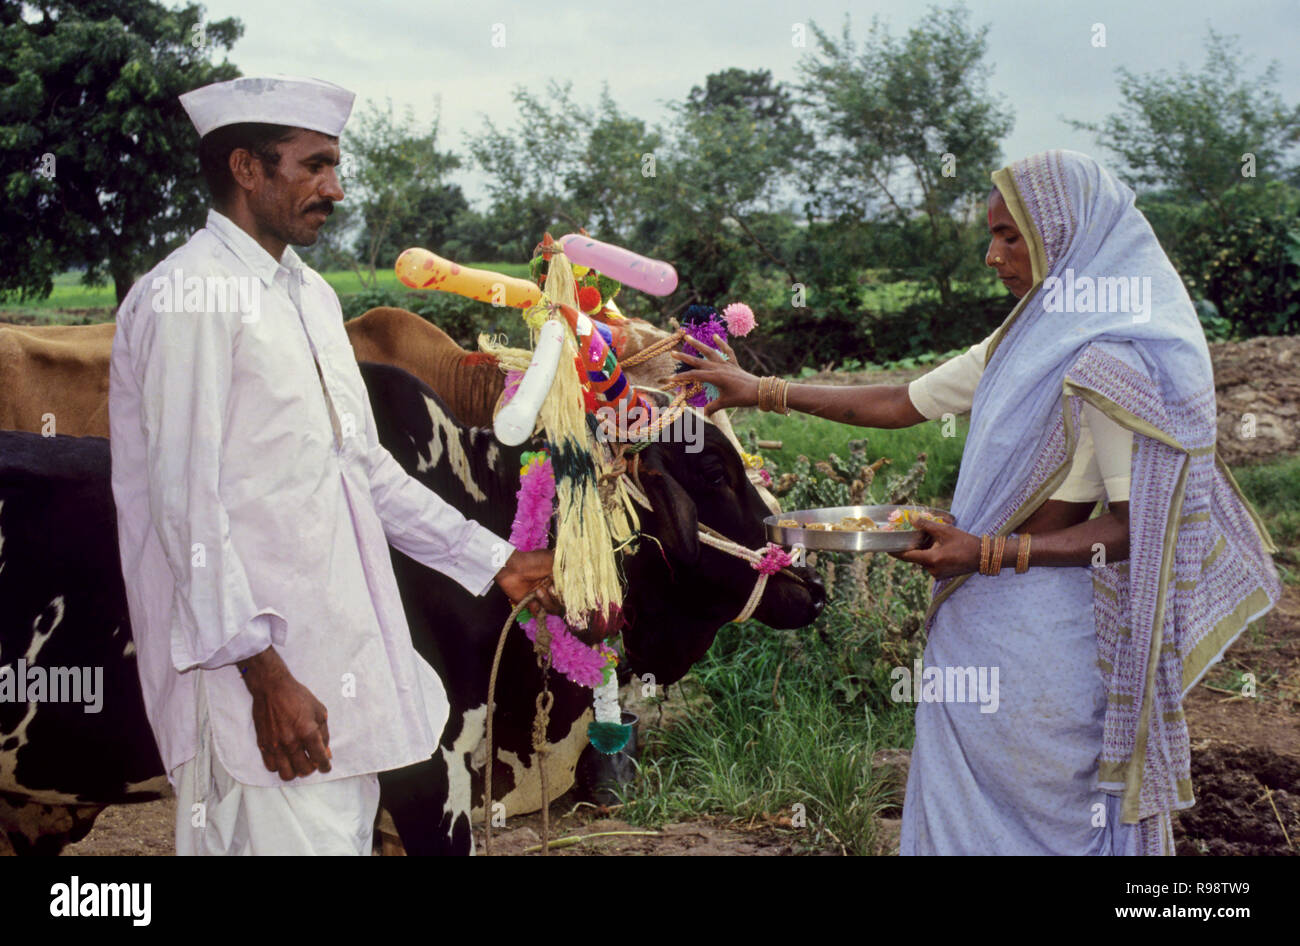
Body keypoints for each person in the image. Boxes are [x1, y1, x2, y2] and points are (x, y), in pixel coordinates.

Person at [670, 149, 1280, 855]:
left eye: (1010, 235)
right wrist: (761, 390)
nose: (992, 256)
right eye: (991, 235)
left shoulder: (1116, 360)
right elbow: (902, 400)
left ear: (1068, 232)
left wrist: (989, 551)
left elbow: (1137, 529)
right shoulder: (1030, 336)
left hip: (1044, 651)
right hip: (984, 632)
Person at [109, 75, 561, 856]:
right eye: (314, 166)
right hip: (255, 686)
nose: (336, 188)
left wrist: (498, 562)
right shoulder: (188, 297)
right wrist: (266, 679)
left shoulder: (311, 297)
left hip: (336, 666)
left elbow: (364, 471)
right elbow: (186, 509)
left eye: (335, 167)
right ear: (247, 169)